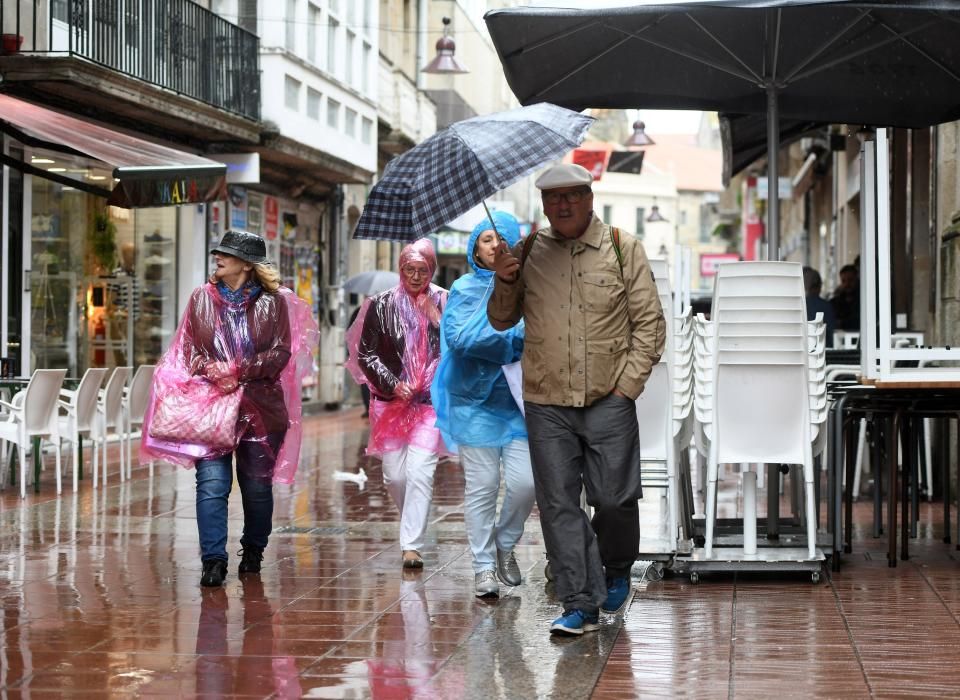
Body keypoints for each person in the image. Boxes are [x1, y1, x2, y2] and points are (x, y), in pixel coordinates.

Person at [487, 163, 665, 636]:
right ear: (544, 205)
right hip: (547, 401)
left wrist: (626, 386)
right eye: (553, 198)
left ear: (590, 197)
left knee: (614, 499)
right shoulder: (526, 252)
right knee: (559, 503)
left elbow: (650, 326)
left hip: (609, 398)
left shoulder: (623, 249)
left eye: (571, 196)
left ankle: (617, 566)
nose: (562, 205)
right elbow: (502, 322)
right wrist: (504, 281)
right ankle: (579, 603)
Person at [142, 229, 317, 588]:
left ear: (247, 265)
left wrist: (239, 370)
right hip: (212, 406)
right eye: (218, 253)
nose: (217, 258)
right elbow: (187, 349)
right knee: (211, 483)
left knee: (255, 488)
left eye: (226, 254)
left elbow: (280, 354)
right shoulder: (200, 299)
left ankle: (253, 549)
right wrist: (211, 370)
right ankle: (213, 560)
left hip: (260, 408)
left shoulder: (274, 303)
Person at [431, 211, 535, 599]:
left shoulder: (528, 285)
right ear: (475, 247)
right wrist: (509, 342)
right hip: (472, 402)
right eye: (485, 239)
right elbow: (460, 340)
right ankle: (483, 566)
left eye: (500, 239)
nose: (493, 246)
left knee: (527, 484)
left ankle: (505, 542)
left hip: (519, 403)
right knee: (484, 485)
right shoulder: (462, 289)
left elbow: (535, 334)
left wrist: (503, 338)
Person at [346, 238, 447, 569]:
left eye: (423, 270)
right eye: (409, 269)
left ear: (432, 270)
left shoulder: (444, 301)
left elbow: (456, 347)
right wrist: (392, 384)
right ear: (400, 269)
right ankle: (411, 521)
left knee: (420, 472)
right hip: (389, 403)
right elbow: (366, 354)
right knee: (395, 476)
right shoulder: (381, 304)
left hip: (428, 403)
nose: (416, 276)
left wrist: (438, 321)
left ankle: (411, 545)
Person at [803, 266, 836, 348]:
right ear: (819, 285)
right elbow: (832, 334)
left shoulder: (796, 305)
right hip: (822, 351)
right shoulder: (825, 306)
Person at [831, 263, 860, 331]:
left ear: (857, 279)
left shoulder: (863, 301)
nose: (847, 284)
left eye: (850, 280)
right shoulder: (835, 302)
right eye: (843, 281)